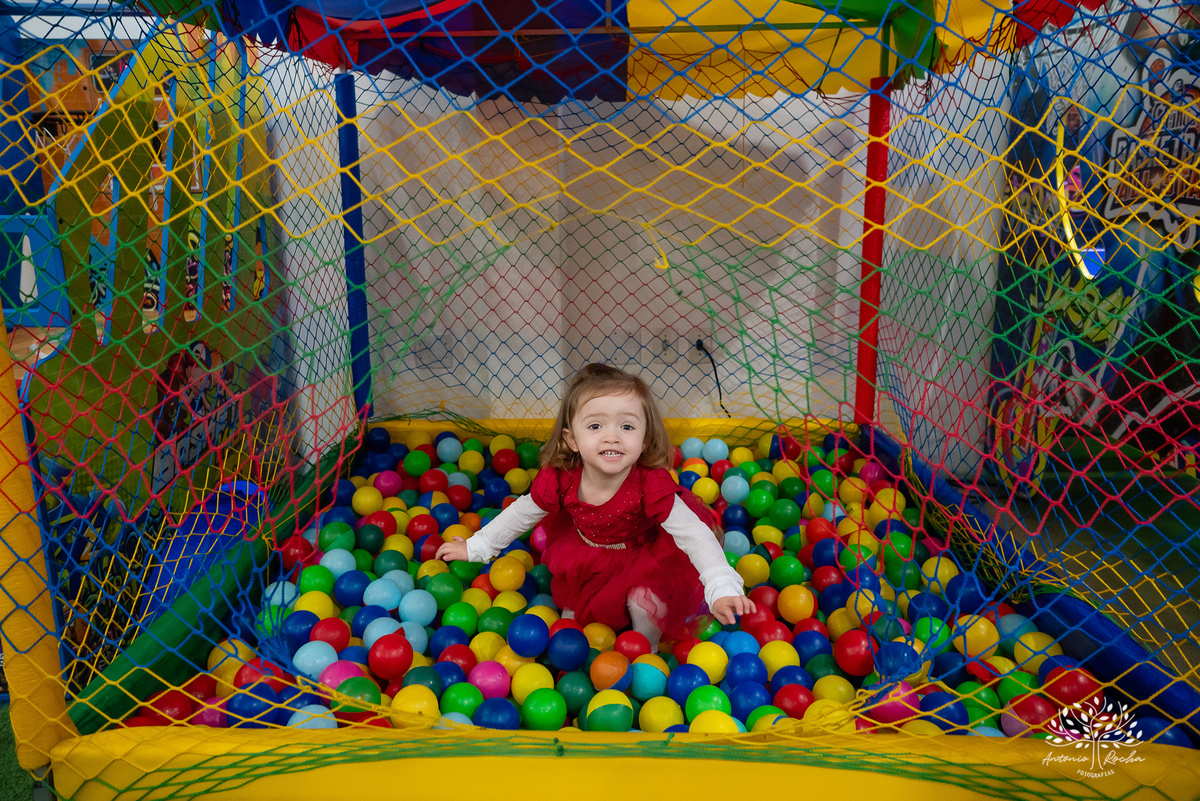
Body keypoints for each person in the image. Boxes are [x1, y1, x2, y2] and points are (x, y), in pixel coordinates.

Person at [437, 363, 754, 650]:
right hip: (586, 552)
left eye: (627, 427)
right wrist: (477, 546)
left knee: (645, 607)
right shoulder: (561, 479)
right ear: (571, 439)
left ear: (644, 440)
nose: (612, 437)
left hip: (642, 554)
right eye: (595, 427)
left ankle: (648, 652)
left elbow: (694, 534)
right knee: (574, 620)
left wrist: (720, 586)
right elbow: (523, 513)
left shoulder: (650, 485)